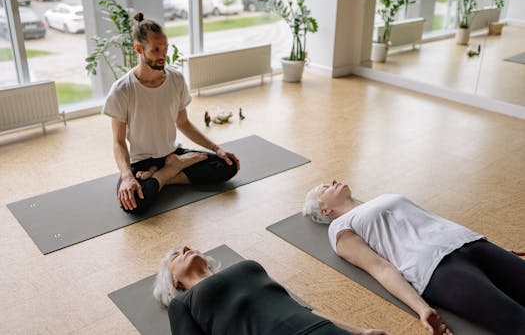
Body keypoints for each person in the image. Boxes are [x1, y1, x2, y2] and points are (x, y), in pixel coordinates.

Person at [303, 180, 525, 335]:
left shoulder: (382, 198)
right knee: (516, 320)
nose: (333, 181)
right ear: (325, 211)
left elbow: (432, 220)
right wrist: (421, 308)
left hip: (469, 242)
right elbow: (380, 268)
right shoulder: (340, 229)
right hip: (436, 268)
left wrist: (495, 246)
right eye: (325, 188)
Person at [103, 12, 239, 214]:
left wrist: (217, 149)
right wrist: (127, 177)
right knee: (133, 203)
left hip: (172, 154)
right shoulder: (122, 90)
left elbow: (183, 123)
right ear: (139, 49)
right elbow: (118, 141)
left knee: (228, 166)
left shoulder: (176, 79)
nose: (163, 54)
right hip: (141, 162)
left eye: (165, 48)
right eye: (156, 49)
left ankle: (164, 175)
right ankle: (171, 170)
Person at [153, 246, 390, 335]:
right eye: (175, 255)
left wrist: (360, 331)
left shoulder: (247, 268)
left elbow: (301, 309)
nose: (185, 248)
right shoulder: (183, 304)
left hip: (321, 330)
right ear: (174, 283)